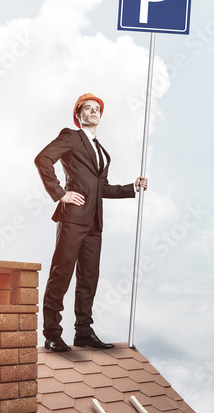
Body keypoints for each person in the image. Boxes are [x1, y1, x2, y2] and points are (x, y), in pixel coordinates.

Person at [35, 92, 147, 351]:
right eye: (88, 108)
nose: (93, 111)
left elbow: (102, 188)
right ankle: (52, 334)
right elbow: (43, 159)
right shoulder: (70, 137)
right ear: (78, 115)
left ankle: (83, 332)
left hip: (95, 223)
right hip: (73, 219)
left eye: (97, 108)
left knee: (89, 279)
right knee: (61, 276)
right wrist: (60, 194)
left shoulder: (100, 150)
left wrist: (133, 187)